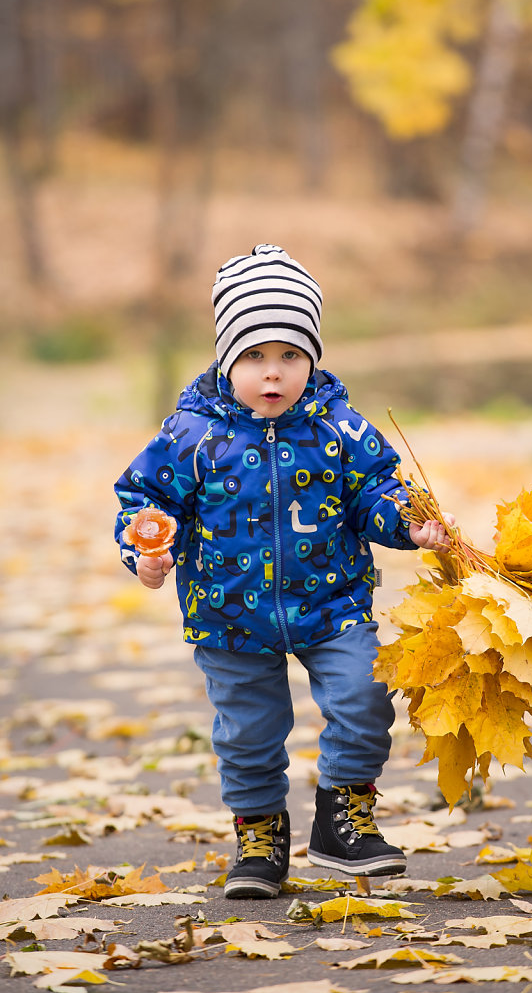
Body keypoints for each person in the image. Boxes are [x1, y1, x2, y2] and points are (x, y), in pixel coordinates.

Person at [114, 243, 452, 899]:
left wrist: (409, 525)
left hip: (333, 607)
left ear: (312, 358)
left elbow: (376, 494)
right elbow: (144, 499)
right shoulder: (191, 436)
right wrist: (145, 552)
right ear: (225, 359)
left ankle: (343, 820)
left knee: (363, 699)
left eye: (290, 356)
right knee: (246, 733)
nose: (273, 373)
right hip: (229, 618)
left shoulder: (342, 430)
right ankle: (259, 837)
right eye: (254, 357)